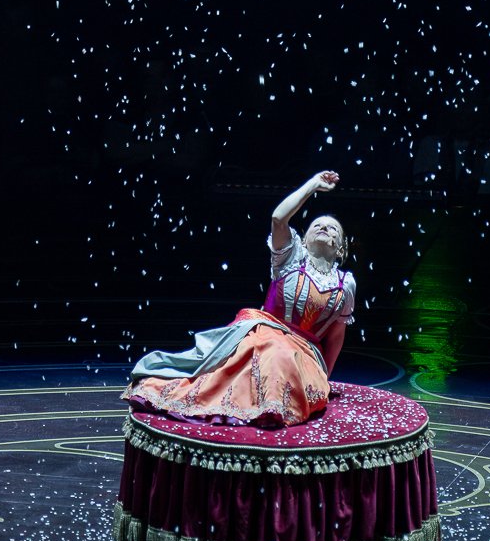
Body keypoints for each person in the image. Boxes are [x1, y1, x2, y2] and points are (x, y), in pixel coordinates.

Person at [124, 169, 354, 427]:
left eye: (332, 228)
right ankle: (256, 408)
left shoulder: (345, 284)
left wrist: (324, 376)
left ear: (340, 247)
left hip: (306, 351)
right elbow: (278, 218)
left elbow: (336, 335)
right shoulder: (292, 257)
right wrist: (312, 185)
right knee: (275, 352)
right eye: (317, 225)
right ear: (305, 238)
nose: (324, 227)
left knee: (285, 356)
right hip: (266, 334)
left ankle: (275, 406)